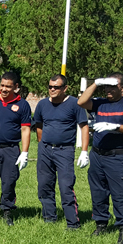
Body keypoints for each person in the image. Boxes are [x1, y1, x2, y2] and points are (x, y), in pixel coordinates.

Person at [78, 72, 123, 244]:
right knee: (98, 191)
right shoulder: (100, 103)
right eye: (106, 86)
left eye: (112, 86)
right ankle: (101, 224)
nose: (108, 90)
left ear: (122, 87)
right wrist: (96, 83)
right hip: (97, 154)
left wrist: (116, 127)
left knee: (120, 193)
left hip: (116, 155)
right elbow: (81, 102)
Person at [34, 74, 89, 230]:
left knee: (66, 186)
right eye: (50, 87)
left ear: (65, 88)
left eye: (56, 87)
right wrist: (41, 144)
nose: (52, 89)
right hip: (45, 149)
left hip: (64, 150)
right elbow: (39, 125)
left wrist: (84, 151)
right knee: (44, 185)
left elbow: (84, 127)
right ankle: (49, 217)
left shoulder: (74, 104)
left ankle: (72, 223)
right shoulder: (42, 104)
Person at [0, 72, 32, 225]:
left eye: (8, 87)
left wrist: (24, 152)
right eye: (2, 85)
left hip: (11, 149)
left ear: (16, 87)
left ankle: (7, 211)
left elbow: (25, 130)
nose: (4, 89)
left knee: (9, 181)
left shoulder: (23, 105)